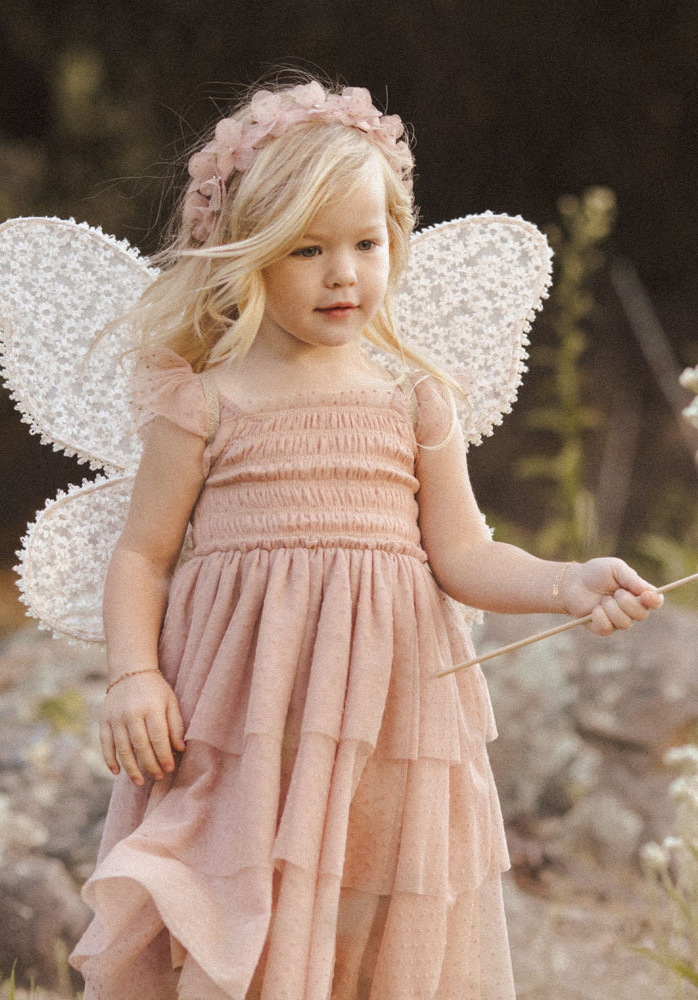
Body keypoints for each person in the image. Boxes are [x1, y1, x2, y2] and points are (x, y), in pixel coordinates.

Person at [68, 78, 662, 1000]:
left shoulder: (413, 403)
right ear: (251, 255)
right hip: (241, 724)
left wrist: (570, 582)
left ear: (397, 245)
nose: (343, 273)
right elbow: (142, 553)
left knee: (362, 929)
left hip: (385, 723)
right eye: (306, 248)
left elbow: (464, 554)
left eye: (365, 244)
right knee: (234, 915)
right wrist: (134, 676)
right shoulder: (205, 403)